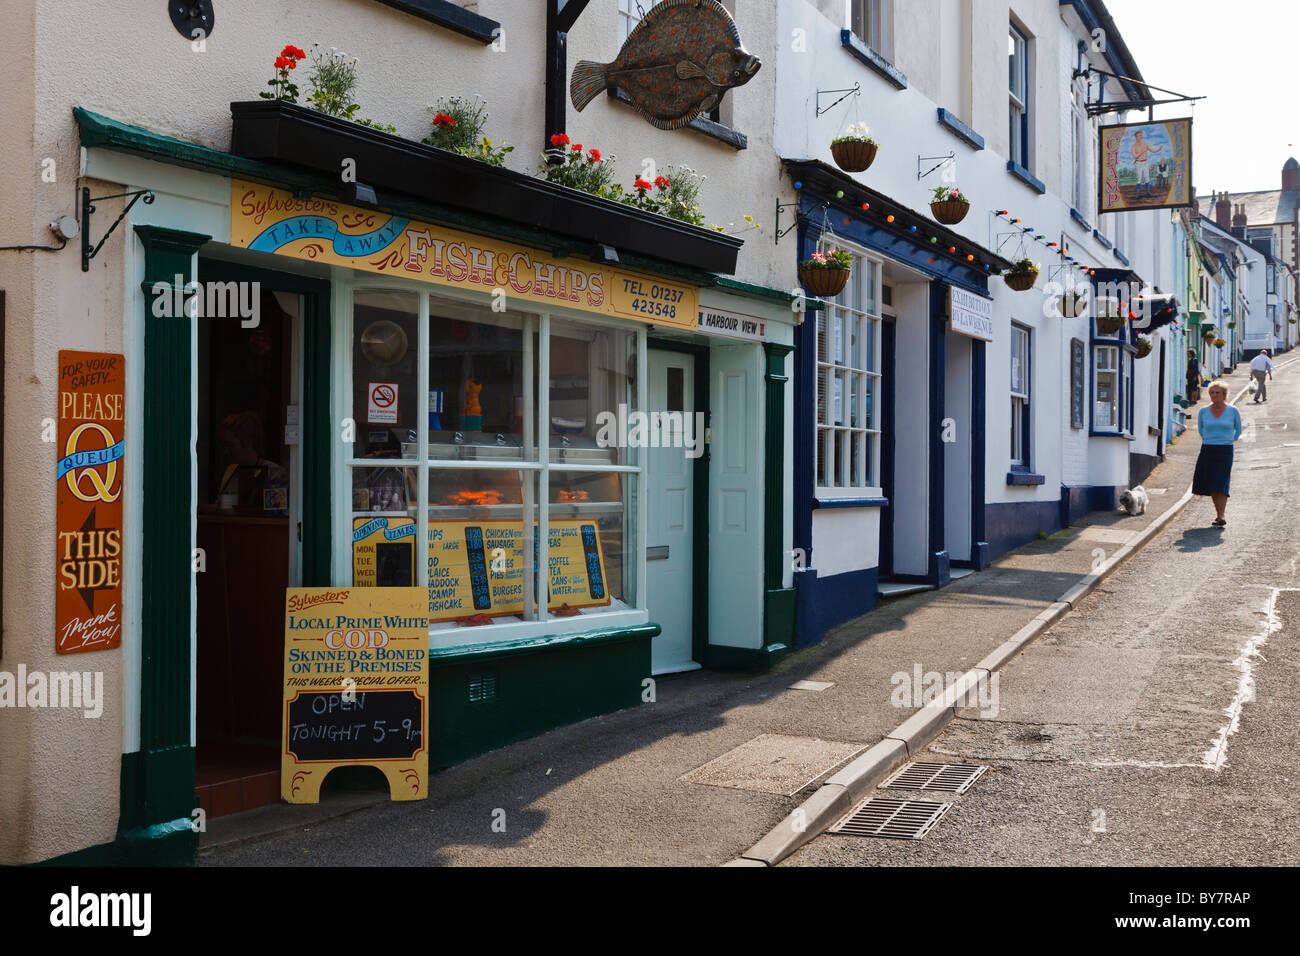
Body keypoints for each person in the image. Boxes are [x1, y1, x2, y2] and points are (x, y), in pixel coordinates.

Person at [1192, 381, 1242, 527]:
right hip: (1208, 449)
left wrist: (1229, 440)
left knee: (1222, 482)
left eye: (1217, 393)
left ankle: (1221, 515)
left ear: (1224, 395)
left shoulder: (1233, 411)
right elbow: (1201, 429)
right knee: (1213, 483)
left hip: (1225, 450)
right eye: (1212, 393)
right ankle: (1219, 515)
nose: (1214, 395)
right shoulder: (1203, 411)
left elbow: (1238, 429)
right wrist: (1209, 439)